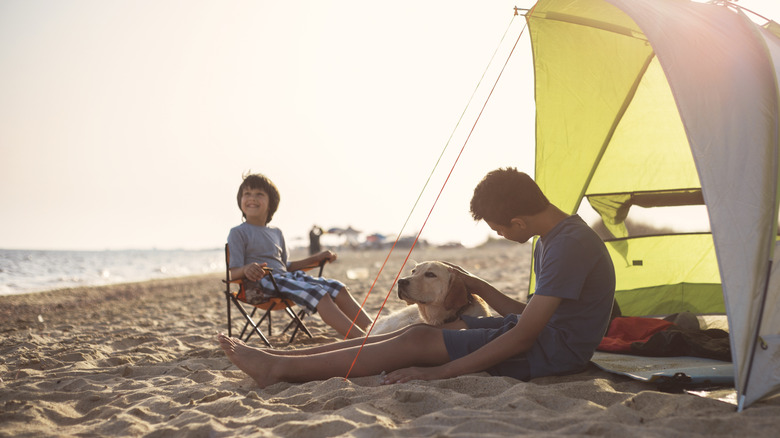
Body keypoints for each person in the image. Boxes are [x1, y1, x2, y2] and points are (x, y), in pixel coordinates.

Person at [218, 167, 616, 387]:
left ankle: (279, 368)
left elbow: (527, 334)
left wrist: (440, 372)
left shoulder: (567, 244)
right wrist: (476, 285)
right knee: (399, 336)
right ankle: (277, 358)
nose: (500, 235)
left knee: (416, 340)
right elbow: (526, 314)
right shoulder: (553, 237)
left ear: (516, 220)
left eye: (498, 229)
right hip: (539, 338)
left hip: (551, 354)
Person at [228, 173, 373, 339]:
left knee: (337, 287)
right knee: (317, 292)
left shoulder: (276, 232)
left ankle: (376, 331)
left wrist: (316, 259)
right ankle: (361, 338)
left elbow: (285, 267)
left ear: (271, 203)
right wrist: (247, 269)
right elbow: (233, 273)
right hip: (261, 285)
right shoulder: (238, 233)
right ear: (240, 200)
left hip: (285, 278)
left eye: (259, 194)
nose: (252, 198)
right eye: (247, 194)